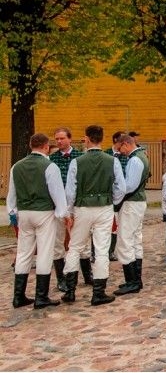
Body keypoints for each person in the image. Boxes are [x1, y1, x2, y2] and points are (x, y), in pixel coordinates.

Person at [62, 125, 126, 305]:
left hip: (82, 207)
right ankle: (98, 292)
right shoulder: (112, 160)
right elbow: (121, 187)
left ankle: (70, 290)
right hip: (104, 206)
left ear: (87, 139)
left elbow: (70, 191)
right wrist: (111, 200)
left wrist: (69, 211)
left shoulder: (77, 162)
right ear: (102, 138)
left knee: (75, 246)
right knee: (101, 249)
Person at [8, 133, 70, 309]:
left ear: (30, 145)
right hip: (44, 212)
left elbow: (11, 195)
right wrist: (63, 214)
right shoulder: (49, 166)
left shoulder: (16, 167)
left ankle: (18, 296)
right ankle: (41, 296)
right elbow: (57, 194)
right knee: (44, 252)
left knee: (24, 252)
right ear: (46, 146)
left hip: (24, 213)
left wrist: (13, 212)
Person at [48, 127, 86, 292]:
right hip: (57, 206)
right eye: (56, 139)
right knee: (58, 242)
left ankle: (87, 274)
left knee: (80, 241)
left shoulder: (80, 157)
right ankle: (61, 278)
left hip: (76, 205)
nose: (59, 141)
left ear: (70, 139)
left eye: (62, 138)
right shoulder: (52, 159)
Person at [113, 134, 150, 295]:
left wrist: (116, 192)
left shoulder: (135, 160)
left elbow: (129, 186)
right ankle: (136, 280)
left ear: (126, 144)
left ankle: (132, 281)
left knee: (125, 240)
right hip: (137, 202)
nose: (120, 152)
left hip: (131, 202)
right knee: (135, 239)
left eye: (120, 148)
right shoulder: (141, 156)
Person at [104, 130, 128, 262]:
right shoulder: (106, 154)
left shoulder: (126, 156)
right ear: (115, 141)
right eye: (121, 141)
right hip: (107, 193)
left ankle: (111, 251)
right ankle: (97, 251)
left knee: (116, 225)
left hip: (120, 195)